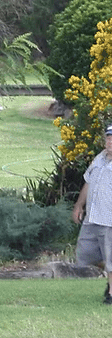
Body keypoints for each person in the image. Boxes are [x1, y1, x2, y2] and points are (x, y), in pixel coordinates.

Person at [72, 124, 112, 305]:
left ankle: (111, 294)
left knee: (110, 257)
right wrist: (79, 206)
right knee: (86, 254)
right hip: (92, 217)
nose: (110, 141)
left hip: (109, 219)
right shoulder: (99, 159)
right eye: (108, 137)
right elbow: (88, 182)